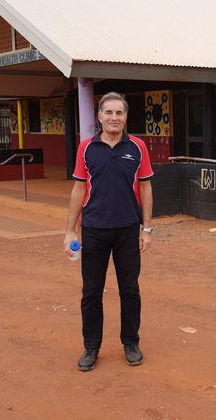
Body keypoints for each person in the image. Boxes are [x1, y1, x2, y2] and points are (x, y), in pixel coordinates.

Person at [64, 92, 154, 372]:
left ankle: (131, 343)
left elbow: (145, 187)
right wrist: (70, 231)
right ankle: (91, 347)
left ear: (126, 117)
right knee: (91, 291)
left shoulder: (137, 147)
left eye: (120, 113)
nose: (115, 118)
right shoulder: (86, 148)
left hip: (128, 230)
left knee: (130, 290)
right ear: (100, 117)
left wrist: (147, 228)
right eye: (109, 113)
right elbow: (79, 188)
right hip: (93, 230)